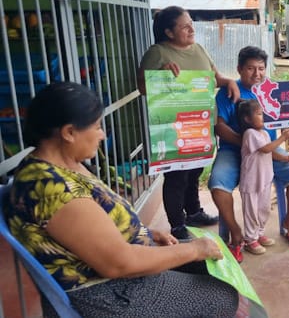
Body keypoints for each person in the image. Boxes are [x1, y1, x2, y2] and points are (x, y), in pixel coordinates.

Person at [5, 82, 238, 317]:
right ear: (69, 133)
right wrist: (195, 250)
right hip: (105, 293)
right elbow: (119, 264)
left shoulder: (65, 164)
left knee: (210, 268)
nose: (102, 135)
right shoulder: (53, 191)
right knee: (221, 297)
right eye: (96, 127)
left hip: (117, 268)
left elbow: (95, 225)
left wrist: (145, 232)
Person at [138, 6, 240, 241]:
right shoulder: (158, 52)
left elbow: (214, 78)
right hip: (173, 127)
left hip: (199, 123)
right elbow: (142, 87)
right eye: (185, 26)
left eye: (191, 23)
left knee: (194, 170)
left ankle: (194, 212)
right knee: (176, 176)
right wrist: (161, 75)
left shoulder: (199, 49)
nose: (191, 29)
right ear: (169, 32)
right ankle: (177, 225)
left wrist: (229, 82)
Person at [209, 46, 289, 262]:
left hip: (268, 150)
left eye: (261, 69)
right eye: (250, 69)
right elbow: (219, 126)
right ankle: (236, 233)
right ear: (239, 69)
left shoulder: (271, 89)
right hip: (233, 150)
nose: (257, 74)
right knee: (218, 185)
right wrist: (247, 145)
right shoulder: (228, 91)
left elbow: (283, 116)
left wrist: (287, 132)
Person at [237, 99, 289, 255]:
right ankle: (250, 239)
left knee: (264, 209)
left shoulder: (263, 133)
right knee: (251, 212)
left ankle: (259, 233)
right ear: (247, 119)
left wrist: (284, 158)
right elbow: (265, 149)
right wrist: (283, 137)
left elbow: (270, 152)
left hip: (264, 180)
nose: (262, 117)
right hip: (251, 182)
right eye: (259, 114)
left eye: (262, 114)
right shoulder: (250, 134)